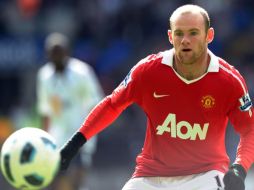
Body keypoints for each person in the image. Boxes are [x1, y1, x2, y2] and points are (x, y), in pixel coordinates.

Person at [59, 4, 254, 190]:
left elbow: (249, 131)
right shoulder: (148, 71)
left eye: (193, 33)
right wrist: (75, 143)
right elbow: (112, 104)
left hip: (206, 176)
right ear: (170, 36)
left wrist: (240, 168)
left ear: (208, 36)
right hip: (151, 177)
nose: (185, 40)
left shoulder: (229, 81)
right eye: (179, 33)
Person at [36, 32, 104, 190]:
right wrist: (43, 139)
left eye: (59, 51)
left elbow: (96, 102)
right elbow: (45, 110)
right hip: (57, 136)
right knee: (57, 181)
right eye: (52, 52)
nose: (56, 56)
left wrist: (90, 132)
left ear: (67, 51)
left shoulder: (82, 72)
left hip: (80, 134)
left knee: (77, 179)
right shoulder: (44, 76)